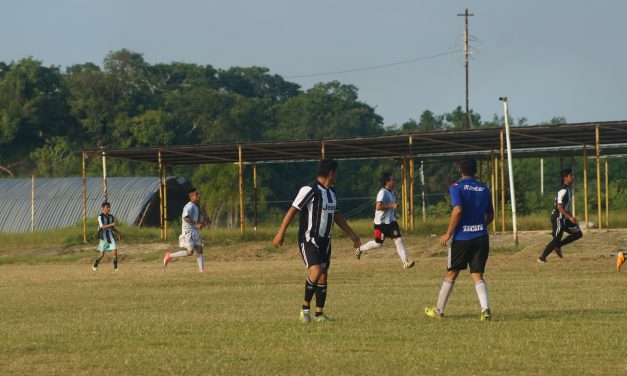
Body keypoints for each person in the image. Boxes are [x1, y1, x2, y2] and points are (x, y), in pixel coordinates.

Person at [273, 159, 361, 323]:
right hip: (309, 239)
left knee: (323, 276)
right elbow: (293, 210)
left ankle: (319, 314)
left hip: (325, 241)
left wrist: (352, 234)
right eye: (336, 173)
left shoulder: (331, 192)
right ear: (331, 173)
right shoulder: (310, 190)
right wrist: (280, 232)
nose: (337, 176)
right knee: (316, 272)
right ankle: (304, 309)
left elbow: (336, 215)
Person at [425, 158, 494, 321]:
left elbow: (457, 210)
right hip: (481, 237)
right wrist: (480, 226)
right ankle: (485, 310)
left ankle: (439, 310)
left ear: (460, 171)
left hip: (462, 238)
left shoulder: (457, 187)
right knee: (477, 273)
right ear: (475, 171)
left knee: (452, 272)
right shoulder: (484, 188)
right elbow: (491, 215)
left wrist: (448, 233)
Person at [354, 172, 415, 269]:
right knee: (378, 244)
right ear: (387, 182)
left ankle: (405, 263)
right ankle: (360, 249)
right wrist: (392, 206)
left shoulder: (391, 192)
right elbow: (378, 207)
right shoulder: (382, 192)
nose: (394, 182)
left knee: (398, 240)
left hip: (391, 222)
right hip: (380, 224)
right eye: (392, 180)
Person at [538, 168, 582, 263]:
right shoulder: (563, 190)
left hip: (564, 217)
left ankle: (558, 246)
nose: (573, 177)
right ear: (565, 178)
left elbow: (565, 208)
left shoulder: (569, 189)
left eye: (573, 175)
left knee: (578, 233)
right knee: (556, 239)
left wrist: (571, 216)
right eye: (571, 175)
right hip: (558, 217)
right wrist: (570, 217)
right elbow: (559, 207)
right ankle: (542, 258)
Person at [163, 187, 207, 272]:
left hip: (194, 231)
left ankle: (202, 271)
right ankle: (169, 255)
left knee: (199, 247)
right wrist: (196, 224)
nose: (199, 195)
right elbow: (185, 218)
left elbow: (192, 219)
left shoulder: (195, 206)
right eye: (196, 194)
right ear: (191, 196)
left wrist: (200, 223)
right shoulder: (189, 206)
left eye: (198, 194)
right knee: (190, 252)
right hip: (188, 232)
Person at [93, 201, 119, 271]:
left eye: (109, 207)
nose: (109, 208)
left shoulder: (111, 217)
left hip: (110, 236)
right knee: (102, 254)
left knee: (115, 250)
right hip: (103, 237)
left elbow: (112, 227)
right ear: (103, 208)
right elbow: (102, 227)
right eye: (107, 207)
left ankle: (116, 269)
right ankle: (95, 264)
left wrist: (117, 232)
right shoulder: (100, 217)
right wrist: (112, 224)